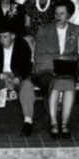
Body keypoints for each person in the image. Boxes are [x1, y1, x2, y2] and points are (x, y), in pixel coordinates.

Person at [34, 0, 78, 138]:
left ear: (69, 15)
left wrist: (67, 63)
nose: (58, 16)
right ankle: (53, 122)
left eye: (62, 13)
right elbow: (39, 55)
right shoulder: (44, 30)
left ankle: (64, 124)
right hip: (47, 71)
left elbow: (77, 54)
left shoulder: (76, 31)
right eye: (56, 13)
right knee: (55, 82)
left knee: (69, 84)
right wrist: (58, 62)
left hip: (68, 71)